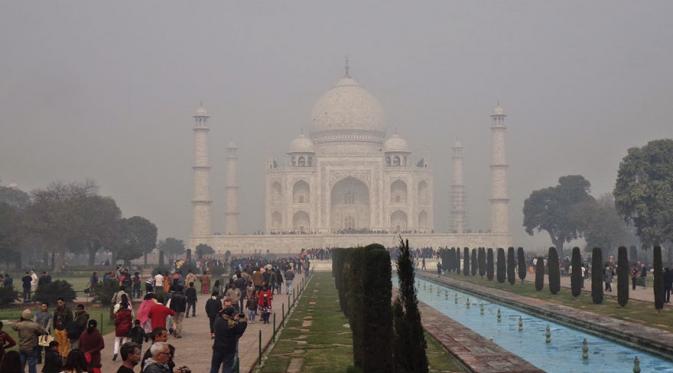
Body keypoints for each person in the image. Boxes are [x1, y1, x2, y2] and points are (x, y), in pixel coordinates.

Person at [210, 307, 247, 373]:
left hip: (217, 348)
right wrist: (243, 321)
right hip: (229, 350)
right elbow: (240, 330)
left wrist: (223, 311)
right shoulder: (232, 325)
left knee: (214, 367)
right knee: (227, 368)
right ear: (232, 315)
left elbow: (218, 315)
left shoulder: (218, 321)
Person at [12, 308, 47, 373]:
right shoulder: (34, 325)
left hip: (22, 347)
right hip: (32, 347)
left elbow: (13, 326)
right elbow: (44, 332)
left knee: (21, 364)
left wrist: (19, 319)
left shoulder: (19, 325)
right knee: (32, 364)